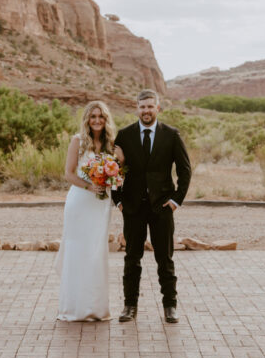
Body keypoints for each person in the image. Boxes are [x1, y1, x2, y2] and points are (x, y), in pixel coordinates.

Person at [112, 89, 191, 324]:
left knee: (164, 258)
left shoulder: (172, 135)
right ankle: (130, 306)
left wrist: (176, 200)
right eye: (142, 106)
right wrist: (117, 200)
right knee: (131, 258)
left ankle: (170, 306)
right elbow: (114, 169)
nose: (146, 111)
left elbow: (185, 171)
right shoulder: (124, 135)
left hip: (162, 207)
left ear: (158, 108)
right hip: (133, 208)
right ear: (136, 109)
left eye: (150, 106)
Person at [55, 100, 116, 322]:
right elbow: (69, 174)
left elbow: (118, 173)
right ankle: (74, 308)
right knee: (78, 252)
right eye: (93, 116)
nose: (97, 120)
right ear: (87, 119)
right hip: (80, 202)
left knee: (96, 253)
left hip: (100, 205)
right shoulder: (78, 141)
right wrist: (90, 186)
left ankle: (96, 308)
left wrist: (115, 175)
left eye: (101, 116)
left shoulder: (111, 145)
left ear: (106, 119)